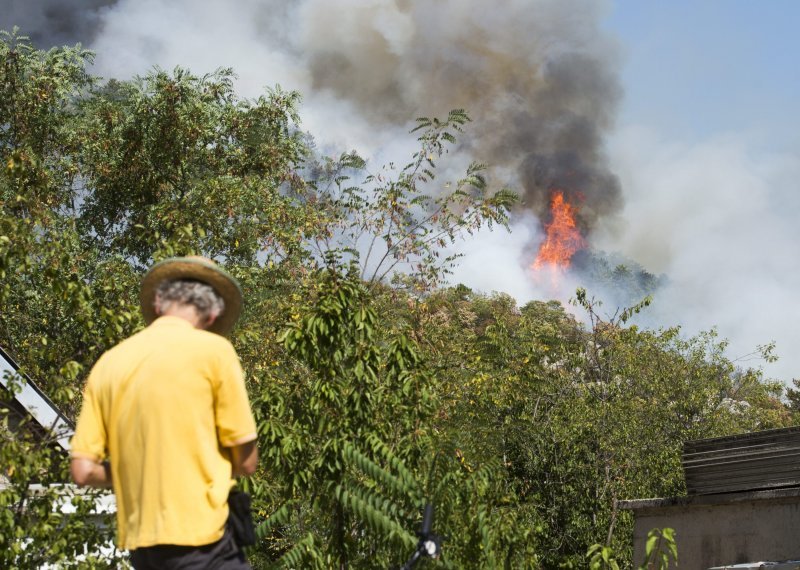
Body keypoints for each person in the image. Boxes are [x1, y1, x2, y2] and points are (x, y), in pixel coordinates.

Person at [70, 256, 258, 569]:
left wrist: (141, 471)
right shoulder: (215, 352)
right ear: (212, 315)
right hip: (203, 541)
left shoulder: (109, 364)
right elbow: (247, 462)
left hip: (142, 549)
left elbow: (83, 471)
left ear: (158, 303)